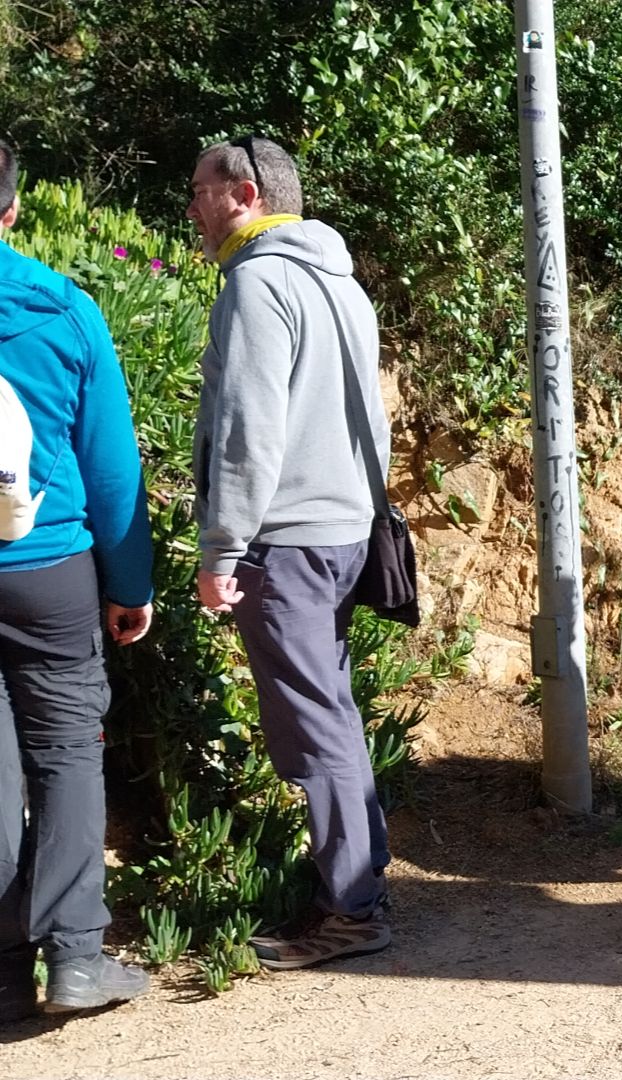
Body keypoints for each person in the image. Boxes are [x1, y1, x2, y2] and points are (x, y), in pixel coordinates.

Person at [187, 136, 395, 968]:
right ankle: (360, 886)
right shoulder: (339, 279)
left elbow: (248, 430)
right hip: (343, 530)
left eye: (200, 190)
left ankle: (352, 910)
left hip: (288, 540)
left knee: (314, 728)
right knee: (332, 714)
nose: (192, 208)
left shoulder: (258, 282)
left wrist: (222, 549)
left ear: (244, 195)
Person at [0, 140, 155, 1017]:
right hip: (48, 569)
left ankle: (2, 974)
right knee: (64, 756)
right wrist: (129, 584)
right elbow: (111, 467)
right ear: (13, 210)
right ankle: (76, 960)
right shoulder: (64, 310)